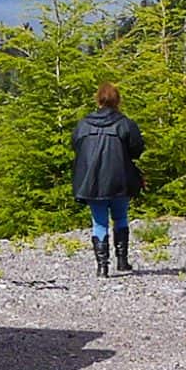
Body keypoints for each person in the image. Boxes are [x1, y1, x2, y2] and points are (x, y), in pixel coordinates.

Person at [70, 83, 145, 278]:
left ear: (98, 100)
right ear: (117, 101)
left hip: (92, 181)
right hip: (120, 179)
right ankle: (122, 261)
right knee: (120, 217)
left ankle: (102, 267)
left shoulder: (83, 124)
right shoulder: (125, 123)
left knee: (99, 222)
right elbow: (137, 149)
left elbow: (76, 146)